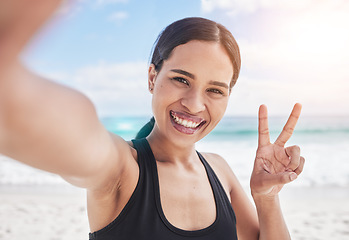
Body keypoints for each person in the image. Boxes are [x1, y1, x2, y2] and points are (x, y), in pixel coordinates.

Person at [0, 1, 305, 240]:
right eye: (181, 79)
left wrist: (266, 199)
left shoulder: (220, 171)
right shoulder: (123, 169)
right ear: (152, 77)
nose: (195, 104)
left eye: (214, 90)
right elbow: (76, 133)